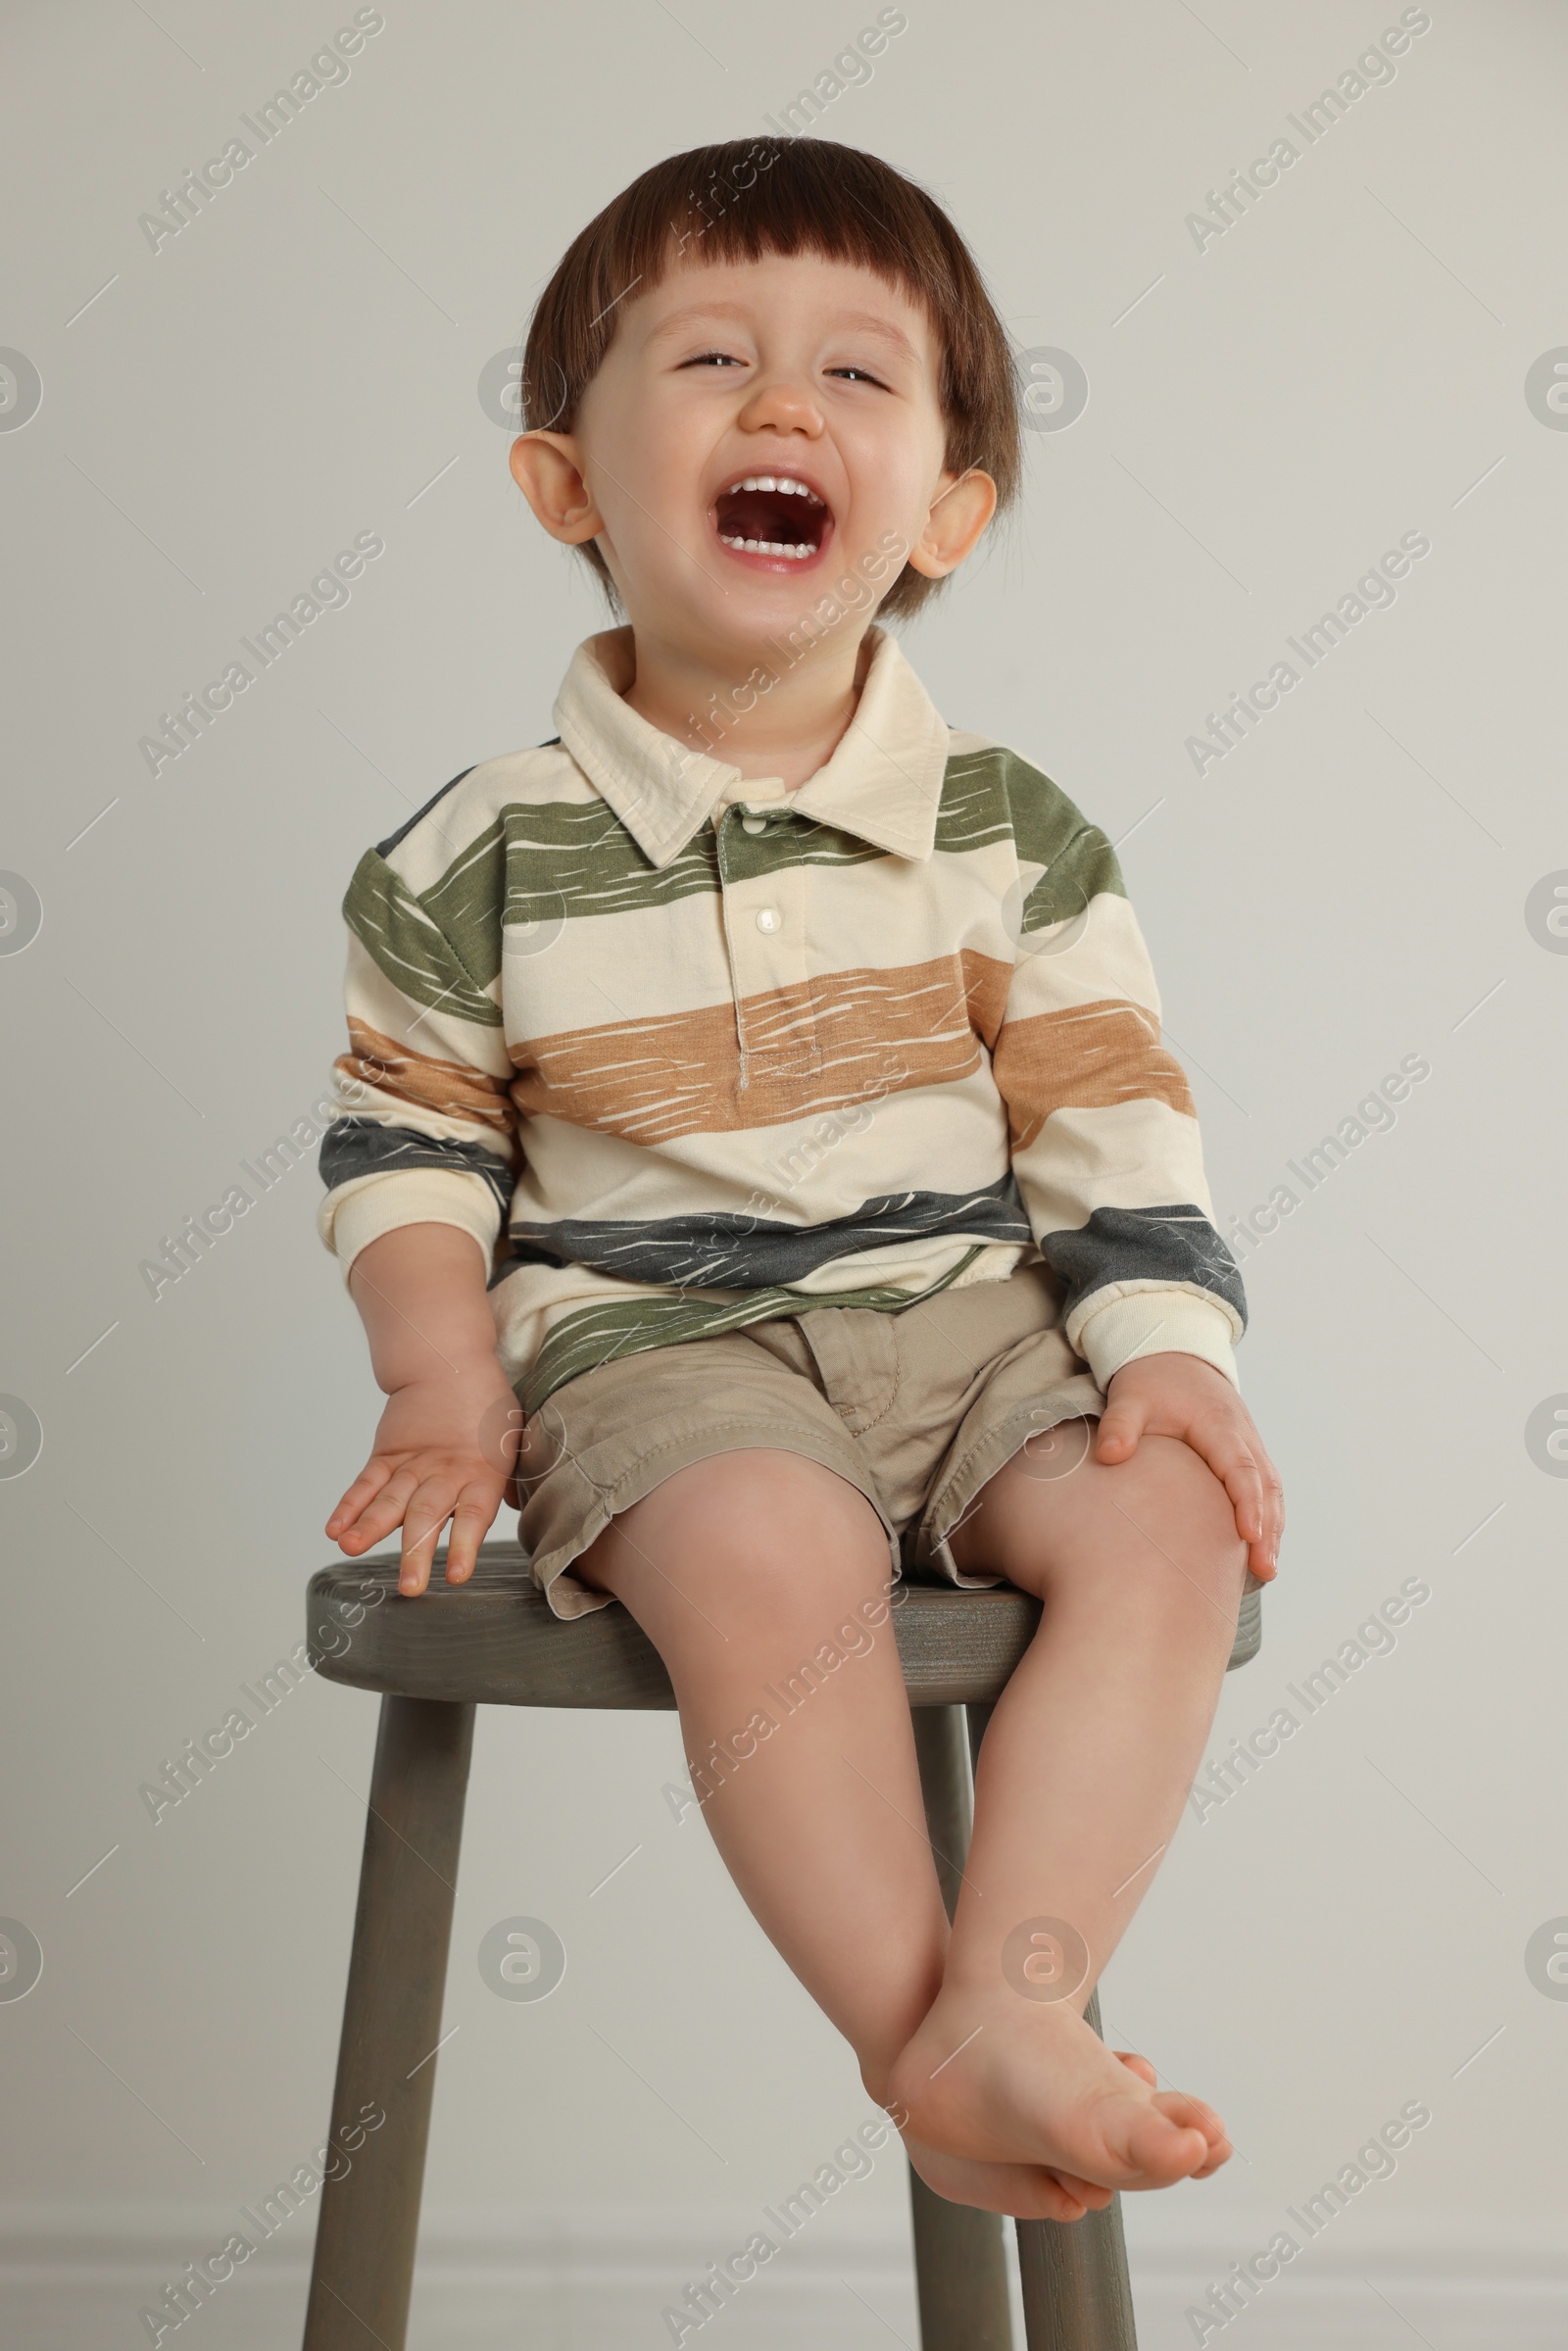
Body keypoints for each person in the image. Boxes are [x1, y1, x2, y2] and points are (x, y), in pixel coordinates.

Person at [317, 135, 1283, 2223]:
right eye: (711, 362)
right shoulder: (474, 851)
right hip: (657, 1353)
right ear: (563, 481)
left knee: (1169, 1515)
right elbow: (408, 1141)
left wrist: (1166, 1351)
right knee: (768, 1557)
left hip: (970, 1331)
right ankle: (915, 2044)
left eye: (855, 378)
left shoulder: (1005, 830)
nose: (779, 408)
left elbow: (1107, 1117)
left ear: (941, 508)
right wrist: (438, 1376)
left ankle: (1016, 1994)